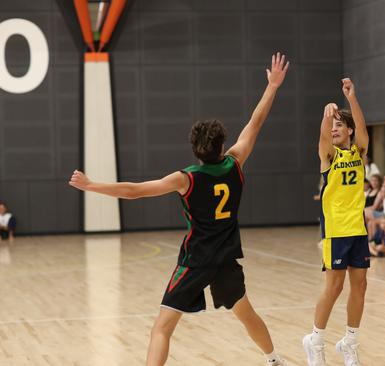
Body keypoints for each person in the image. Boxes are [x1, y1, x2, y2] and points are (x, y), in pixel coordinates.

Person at [69, 53, 289, 366]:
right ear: (221, 145)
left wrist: (91, 185)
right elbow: (255, 123)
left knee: (161, 328)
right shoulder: (235, 163)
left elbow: (134, 191)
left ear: (196, 150)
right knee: (246, 314)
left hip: (196, 261)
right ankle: (275, 360)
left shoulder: (185, 179)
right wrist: (272, 86)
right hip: (226, 259)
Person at [304, 78, 369, 366]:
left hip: (358, 227)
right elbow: (322, 138)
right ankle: (315, 339)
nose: (334, 129)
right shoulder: (328, 156)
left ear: (349, 130)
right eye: (333, 126)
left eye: (340, 125)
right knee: (334, 287)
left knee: (361, 285)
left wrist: (352, 98)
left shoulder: (359, 152)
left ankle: (349, 342)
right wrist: (325, 117)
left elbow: (363, 130)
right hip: (336, 230)